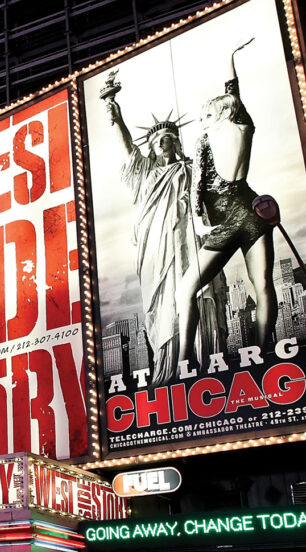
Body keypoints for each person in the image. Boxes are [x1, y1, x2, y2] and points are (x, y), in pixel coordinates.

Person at [179, 37, 276, 363]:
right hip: (252, 210)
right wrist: (229, 57)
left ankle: (183, 361)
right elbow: (233, 92)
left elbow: (197, 185)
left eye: (207, 112)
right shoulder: (243, 126)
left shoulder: (207, 138)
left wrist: (196, 219)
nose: (202, 117)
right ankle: (264, 353)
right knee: (262, 285)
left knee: (185, 289)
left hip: (226, 221)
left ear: (221, 112)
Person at [106, 78, 195, 386]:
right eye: (157, 141)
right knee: (159, 304)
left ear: (175, 142)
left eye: (168, 139)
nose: (162, 143)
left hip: (182, 240)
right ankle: (164, 365)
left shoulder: (187, 170)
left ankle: (189, 362)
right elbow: (128, 147)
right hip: (152, 245)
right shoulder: (145, 172)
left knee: (182, 295)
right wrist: (116, 116)